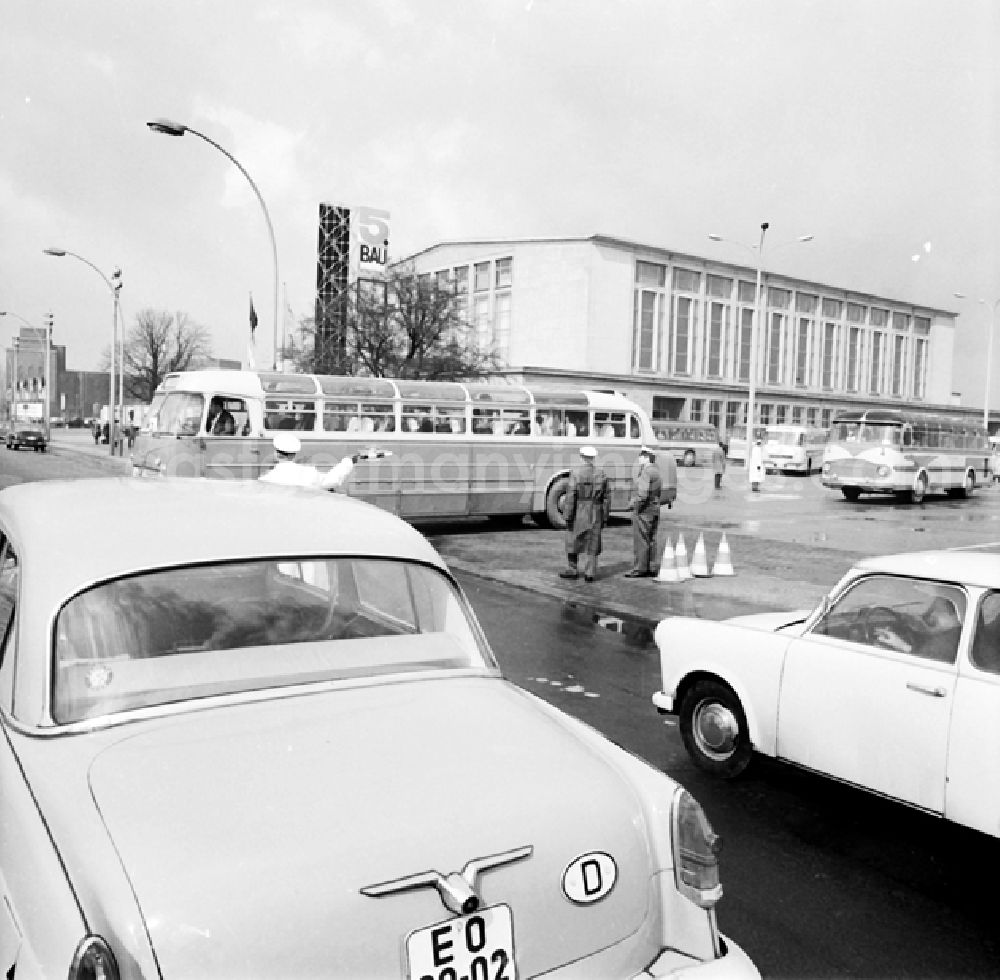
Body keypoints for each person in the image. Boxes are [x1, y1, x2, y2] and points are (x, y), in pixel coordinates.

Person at [259, 433, 381, 491]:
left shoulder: (266, 480)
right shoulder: (308, 473)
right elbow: (331, 480)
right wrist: (348, 461)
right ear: (294, 454)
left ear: (276, 454)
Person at [559, 446, 609, 583]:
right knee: (593, 542)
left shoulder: (575, 473)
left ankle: (572, 569)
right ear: (593, 458)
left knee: (573, 538)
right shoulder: (601, 474)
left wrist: (567, 515)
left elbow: (571, 495)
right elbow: (606, 497)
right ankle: (590, 573)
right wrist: (604, 517)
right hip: (596, 510)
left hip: (579, 509)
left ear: (581, 457)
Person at [624, 445, 663, 578]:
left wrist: (634, 506)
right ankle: (651, 567)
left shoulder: (646, 471)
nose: (639, 458)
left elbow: (642, 495)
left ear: (647, 457)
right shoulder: (656, 471)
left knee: (641, 540)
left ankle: (639, 569)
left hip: (644, 510)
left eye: (641, 456)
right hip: (655, 509)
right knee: (651, 539)